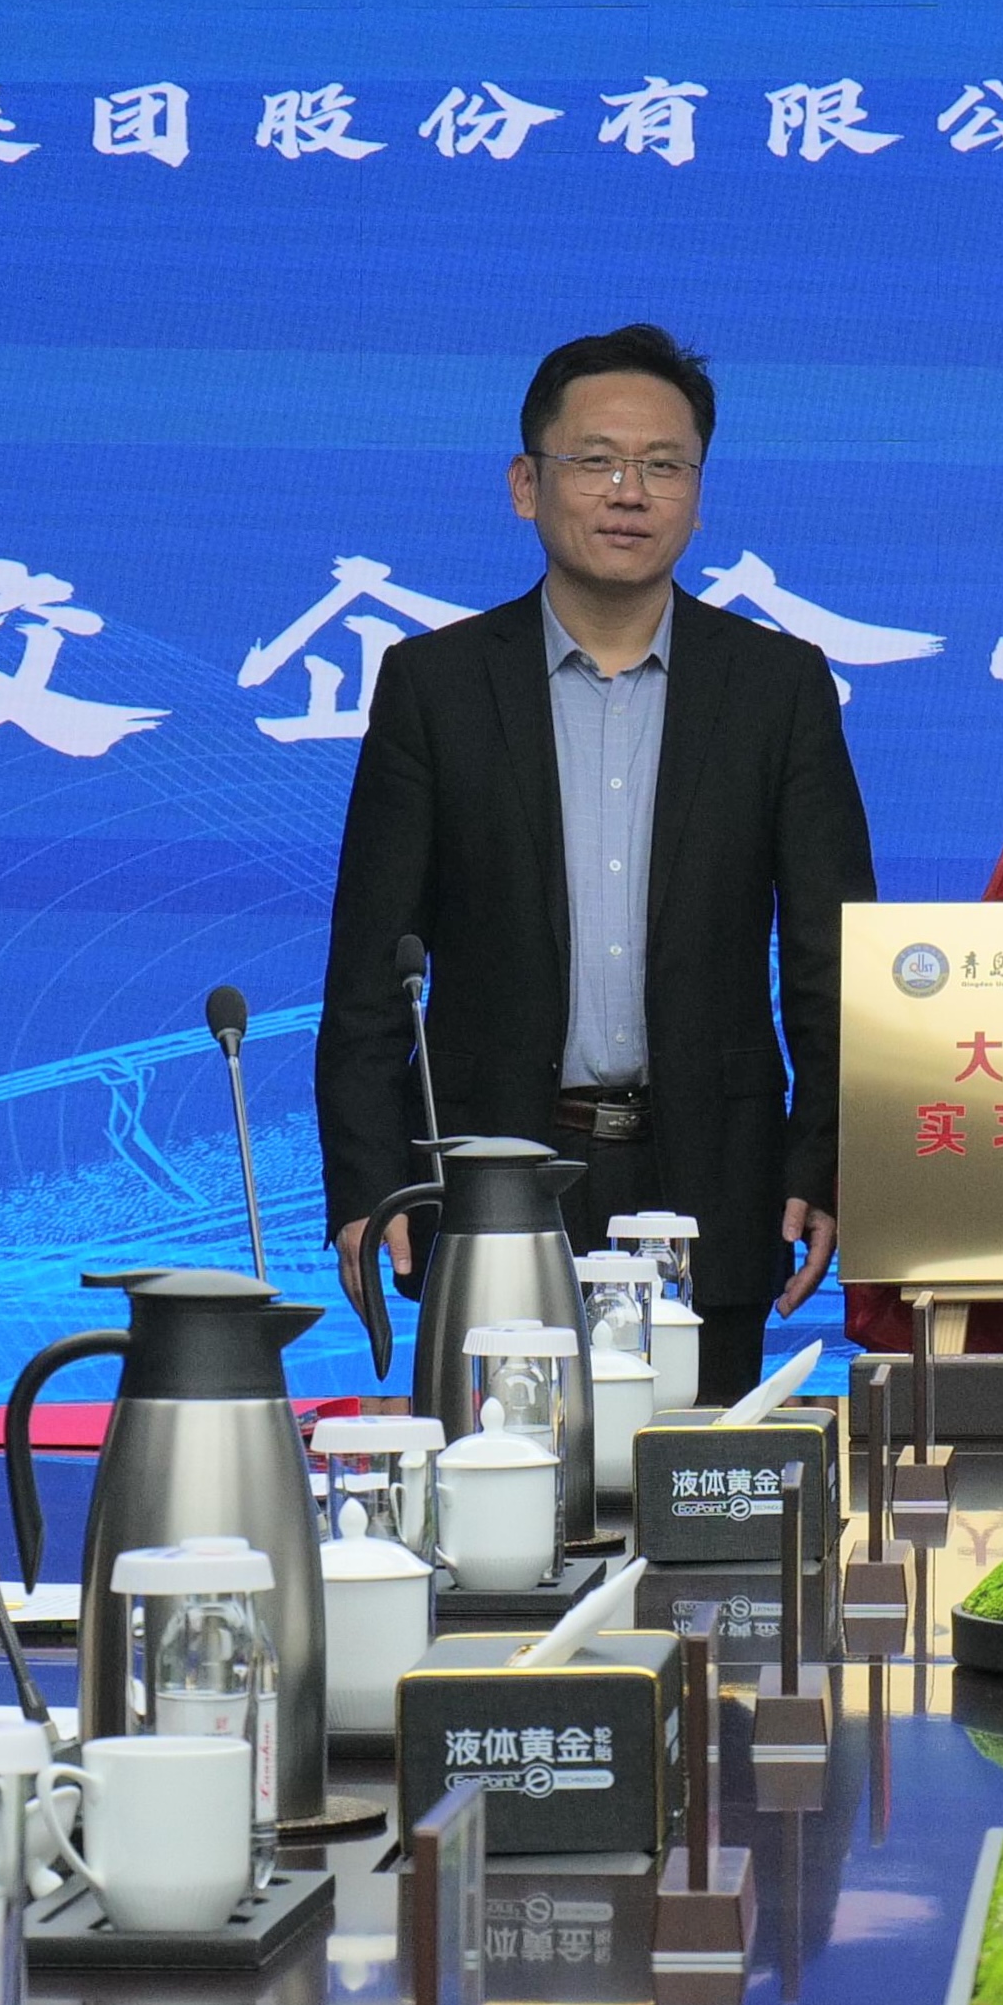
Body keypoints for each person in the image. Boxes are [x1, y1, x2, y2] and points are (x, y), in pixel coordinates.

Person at [317, 324, 876, 1401]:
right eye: (598, 461)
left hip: (713, 1175)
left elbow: (831, 958)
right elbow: (371, 968)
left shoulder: (776, 688)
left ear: (698, 499)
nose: (630, 492)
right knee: (500, 1477)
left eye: (664, 466)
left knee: (692, 1484)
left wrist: (826, 1157)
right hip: (489, 1178)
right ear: (526, 484)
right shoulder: (435, 687)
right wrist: (369, 1179)